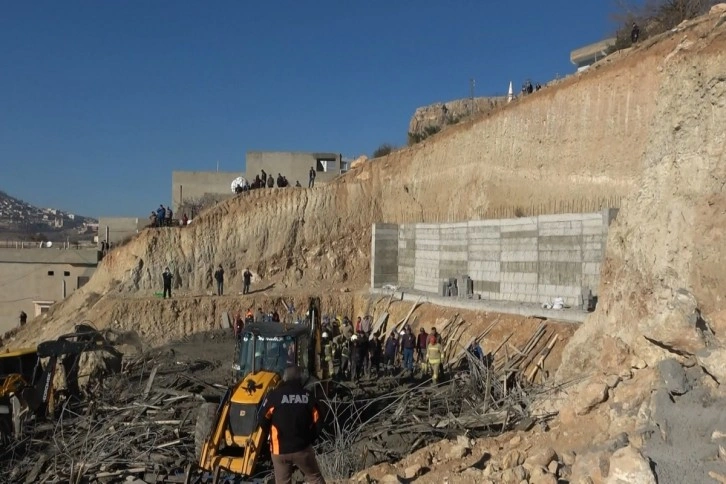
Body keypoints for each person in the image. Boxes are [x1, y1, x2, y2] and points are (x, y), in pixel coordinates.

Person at [259, 366, 326, 484]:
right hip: (302, 448)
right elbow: (319, 422)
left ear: (284, 379)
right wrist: (309, 439)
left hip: (279, 450)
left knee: (282, 481)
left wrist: (272, 436)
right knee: (315, 478)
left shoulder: (273, 396)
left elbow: (262, 421)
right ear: (301, 379)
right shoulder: (307, 396)